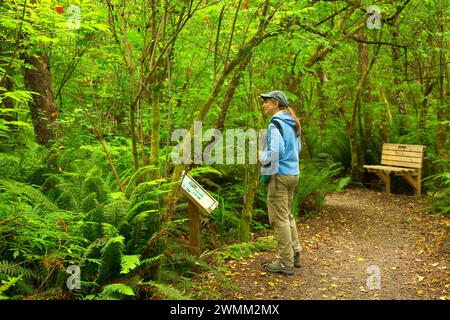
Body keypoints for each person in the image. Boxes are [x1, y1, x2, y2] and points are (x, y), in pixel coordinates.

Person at [258, 90, 302, 275]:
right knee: (287, 215)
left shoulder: (275, 123)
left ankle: (286, 262)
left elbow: (275, 153)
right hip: (293, 174)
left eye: (266, 102)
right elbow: (297, 148)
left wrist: (261, 156)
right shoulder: (293, 121)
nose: (264, 105)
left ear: (275, 103)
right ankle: (295, 253)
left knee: (279, 219)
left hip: (279, 175)